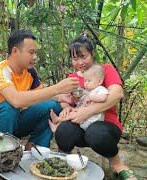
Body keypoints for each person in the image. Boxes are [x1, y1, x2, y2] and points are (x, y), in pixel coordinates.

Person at [0, 29, 80, 149]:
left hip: (17, 121)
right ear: (15, 51)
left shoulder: (30, 72)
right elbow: (15, 100)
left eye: (35, 53)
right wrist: (57, 88)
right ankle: (2, 153)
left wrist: (61, 98)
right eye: (31, 52)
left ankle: (35, 149)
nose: (35, 57)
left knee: (52, 106)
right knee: (9, 107)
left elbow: (41, 96)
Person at [53, 35, 137, 180]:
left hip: (106, 126)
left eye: (83, 57)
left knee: (96, 133)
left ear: (92, 54)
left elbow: (117, 94)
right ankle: (62, 160)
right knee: (63, 130)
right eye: (75, 58)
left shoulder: (105, 70)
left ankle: (118, 165)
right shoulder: (72, 77)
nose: (80, 62)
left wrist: (89, 111)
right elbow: (66, 99)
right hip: (80, 124)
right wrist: (66, 106)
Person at [49, 64, 109, 131]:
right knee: (72, 112)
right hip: (84, 118)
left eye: (89, 81)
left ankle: (58, 120)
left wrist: (91, 97)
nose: (86, 83)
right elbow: (81, 101)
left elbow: (103, 98)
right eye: (85, 81)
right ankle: (57, 125)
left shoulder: (100, 89)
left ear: (99, 81)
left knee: (74, 114)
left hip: (93, 120)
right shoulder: (88, 91)